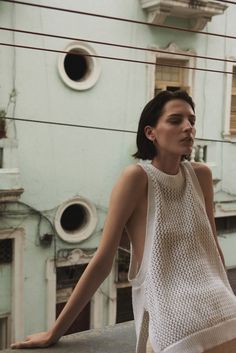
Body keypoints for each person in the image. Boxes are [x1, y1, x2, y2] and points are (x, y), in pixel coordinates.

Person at [11, 90, 236, 353]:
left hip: (220, 307)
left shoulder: (202, 175)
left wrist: (229, 297)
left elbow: (212, 248)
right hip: (173, 320)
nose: (188, 127)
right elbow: (103, 259)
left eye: (192, 121)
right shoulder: (138, 178)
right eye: (176, 120)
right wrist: (54, 332)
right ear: (151, 133)